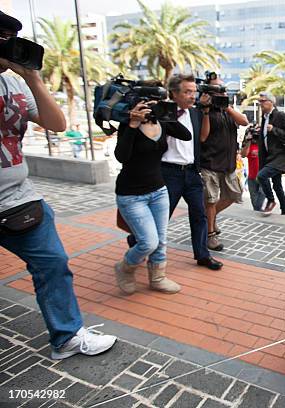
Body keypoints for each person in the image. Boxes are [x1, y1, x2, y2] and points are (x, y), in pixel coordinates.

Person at [0, 11, 116, 359]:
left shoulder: (15, 82)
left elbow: (57, 122)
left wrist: (33, 78)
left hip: (19, 198)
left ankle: (66, 337)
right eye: (3, 38)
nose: (9, 47)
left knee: (53, 263)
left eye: (11, 38)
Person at [114, 95, 192, 295]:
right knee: (148, 241)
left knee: (161, 239)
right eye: (148, 102)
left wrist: (166, 114)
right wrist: (133, 123)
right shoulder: (128, 125)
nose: (152, 106)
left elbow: (185, 135)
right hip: (131, 194)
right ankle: (125, 267)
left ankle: (158, 278)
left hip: (158, 191)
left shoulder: (162, 122)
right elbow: (121, 156)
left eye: (157, 101)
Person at [160, 74, 223, 270]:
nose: (192, 96)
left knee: (199, 214)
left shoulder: (195, 113)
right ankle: (140, 241)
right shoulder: (163, 112)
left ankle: (202, 255)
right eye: (187, 92)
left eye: (194, 92)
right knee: (163, 216)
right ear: (174, 93)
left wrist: (204, 111)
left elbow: (202, 138)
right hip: (169, 172)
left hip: (192, 173)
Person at [200, 73, 249, 250]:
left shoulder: (227, 110)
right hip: (210, 163)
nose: (221, 92)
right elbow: (203, 137)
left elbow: (244, 121)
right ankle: (210, 235)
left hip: (228, 163)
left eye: (223, 89)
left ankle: (208, 219)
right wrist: (206, 110)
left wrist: (227, 107)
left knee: (233, 195)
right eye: (217, 89)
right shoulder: (203, 109)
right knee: (211, 200)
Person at [256, 92, 285, 216]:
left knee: (261, 176)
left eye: (263, 101)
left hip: (280, 156)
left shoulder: (281, 116)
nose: (260, 104)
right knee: (277, 185)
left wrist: (274, 130)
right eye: (259, 102)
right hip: (269, 157)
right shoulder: (264, 117)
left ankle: (271, 200)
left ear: (271, 102)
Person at [240, 125, 265, 211]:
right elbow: (243, 155)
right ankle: (258, 213)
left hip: (263, 176)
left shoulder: (264, 145)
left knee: (262, 193)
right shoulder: (250, 145)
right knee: (254, 203)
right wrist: (249, 141)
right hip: (252, 177)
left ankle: (258, 212)